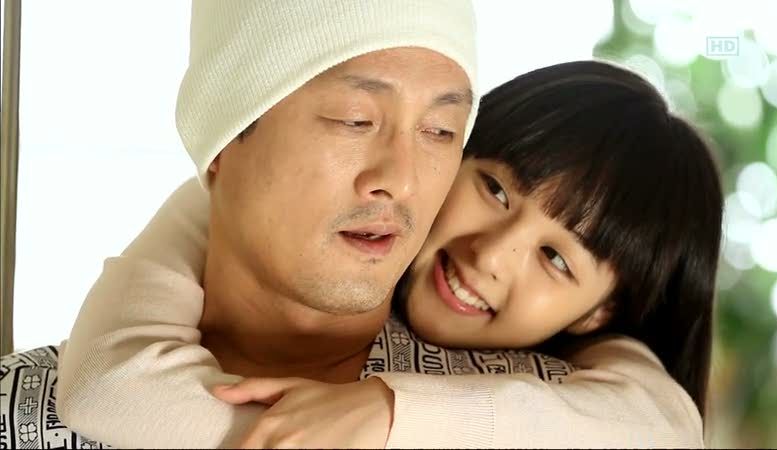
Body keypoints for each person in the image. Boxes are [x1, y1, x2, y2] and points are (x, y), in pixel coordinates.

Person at [52, 60, 721, 448]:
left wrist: (388, 415)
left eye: (556, 259)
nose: (491, 255)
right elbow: (109, 381)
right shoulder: (248, 203)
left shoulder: (600, 378)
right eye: (493, 190)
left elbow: (663, 430)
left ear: (599, 313)